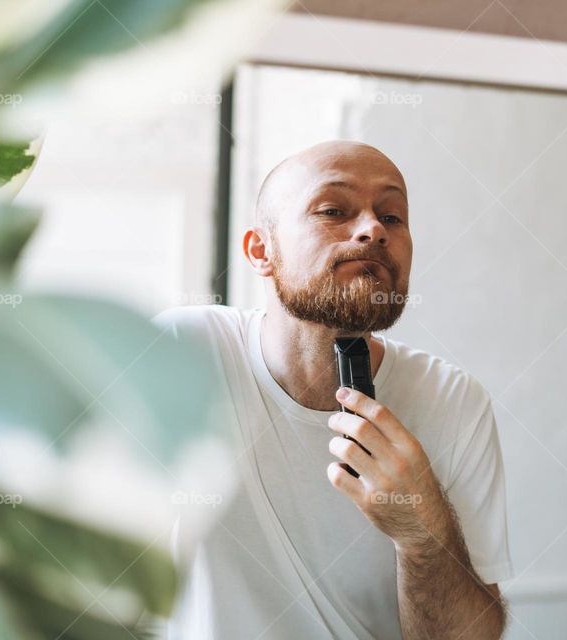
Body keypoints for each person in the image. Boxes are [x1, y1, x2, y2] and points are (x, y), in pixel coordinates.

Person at [150, 140, 512, 639]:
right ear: (261, 251)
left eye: (393, 216)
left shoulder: (454, 401)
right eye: (333, 210)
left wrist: (421, 531)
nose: (373, 231)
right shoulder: (182, 352)